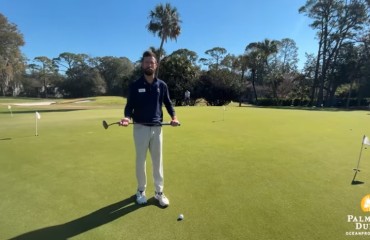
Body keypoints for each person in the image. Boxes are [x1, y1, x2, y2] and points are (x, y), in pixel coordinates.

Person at [120, 50, 180, 207]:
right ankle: (141, 191)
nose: (149, 65)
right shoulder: (135, 85)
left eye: (152, 62)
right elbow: (129, 107)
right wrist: (127, 117)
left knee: (157, 162)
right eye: (146, 62)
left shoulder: (162, 85)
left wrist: (174, 117)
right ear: (142, 64)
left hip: (157, 128)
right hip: (140, 128)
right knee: (141, 161)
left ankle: (159, 192)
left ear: (156, 65)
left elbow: (168, 104)